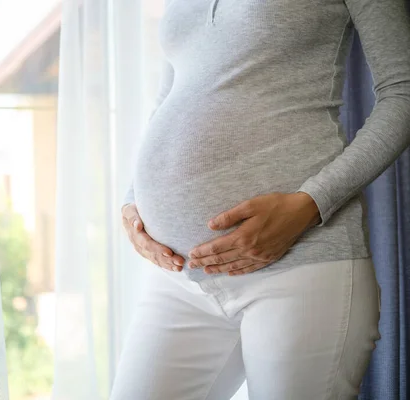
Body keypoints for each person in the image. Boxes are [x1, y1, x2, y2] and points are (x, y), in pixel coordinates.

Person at [110, 0, 410, 399]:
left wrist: (310, 204)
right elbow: (172, 95)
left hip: (301, 266)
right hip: (181, 279)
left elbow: (403, 92)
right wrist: (135, 203)